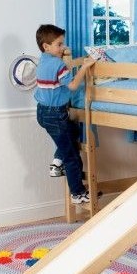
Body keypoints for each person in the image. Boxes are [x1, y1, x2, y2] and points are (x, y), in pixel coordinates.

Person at [34, 24, 95, 204]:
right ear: (46, 46)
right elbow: (73, 86)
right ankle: (78, 194)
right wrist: (84, 67)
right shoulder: (58, 64)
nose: (64, 48)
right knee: (72, 156)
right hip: (55, 115)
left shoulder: (42, 61)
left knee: (73, 131)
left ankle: (57, 162)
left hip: (42, 112)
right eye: (59, 44)